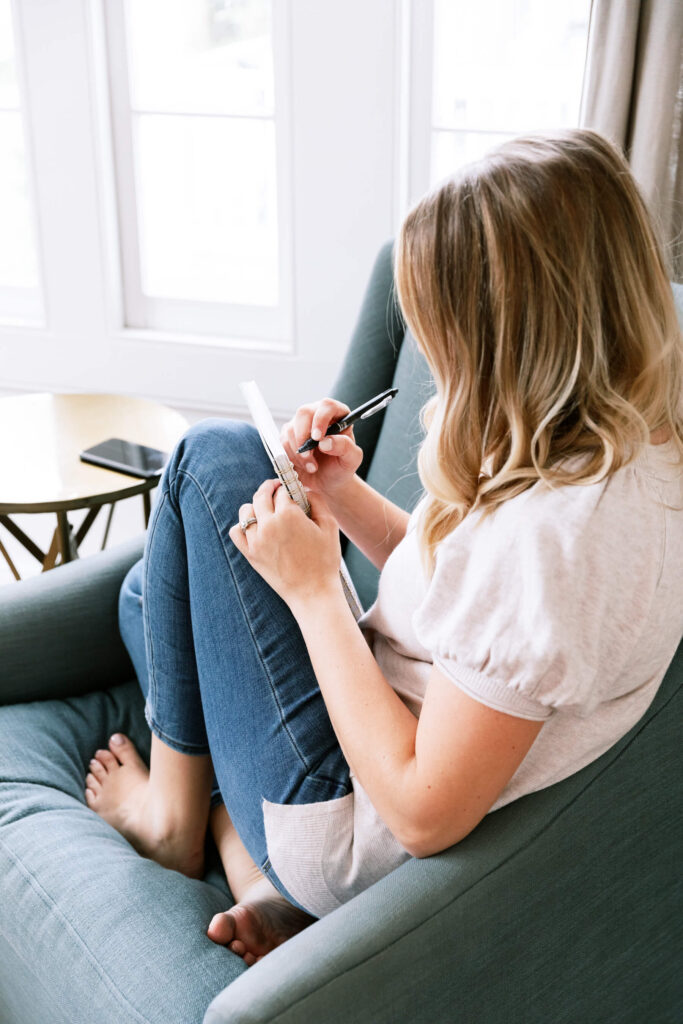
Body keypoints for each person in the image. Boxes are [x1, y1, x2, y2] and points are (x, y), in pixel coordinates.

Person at [84, 129, 683, 967]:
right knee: (151, 595)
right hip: (379, 718)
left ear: (503, 338)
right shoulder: (614, 449)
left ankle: (176, 825)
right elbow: (466, 606)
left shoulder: (555, 546)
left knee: (208, 462)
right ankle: (247, 864)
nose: (437, 360)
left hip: (350, 819)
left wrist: (315, 588)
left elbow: (418, 810)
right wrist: (339, 496)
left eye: (442, 334)